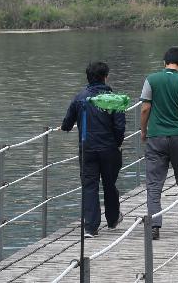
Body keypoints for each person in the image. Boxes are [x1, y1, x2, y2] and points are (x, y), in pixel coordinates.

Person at [61, 61, 125, 238]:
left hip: (87, 149)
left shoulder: (80, 97)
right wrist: (117, 143)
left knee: (89, 186)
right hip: (109, 148)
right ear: (106, 77)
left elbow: (67, 123)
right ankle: (112, 219)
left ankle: (90, 227)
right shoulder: (114, 99)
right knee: (109, 184)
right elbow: (120, 126)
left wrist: (67, 126)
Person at [140, 47, 178, 240]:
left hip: (156, 136)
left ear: (164, 62)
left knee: (154, 184)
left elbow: (145, 107)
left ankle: (154, 224)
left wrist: (144, 130)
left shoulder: (151, 79)